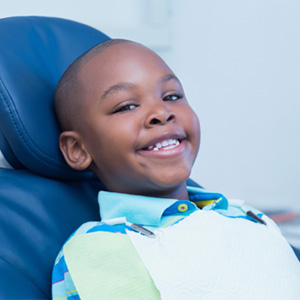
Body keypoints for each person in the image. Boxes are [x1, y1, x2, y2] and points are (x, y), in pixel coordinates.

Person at [52, 39, 300, 300]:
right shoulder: (99, 249)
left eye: (172, 96)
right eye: (126, 106)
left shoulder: (246, 216)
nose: (161, 111)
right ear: (78, 149)